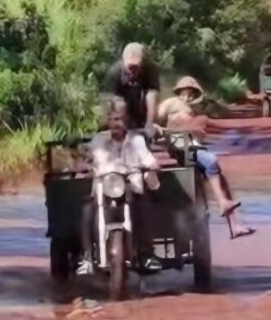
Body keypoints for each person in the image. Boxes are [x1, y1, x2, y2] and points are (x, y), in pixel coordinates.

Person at [157, 77, 255, 239]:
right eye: (184, 93)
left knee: (220, 177)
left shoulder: (197, 111)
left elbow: (208, 129)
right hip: (178, 145)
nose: (187, 98)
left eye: (191, 94)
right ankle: (223, 204)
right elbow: (155, 120)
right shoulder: (170, 104)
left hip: (192, 147)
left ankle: (234, 224)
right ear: (179, 92)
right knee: (211, 160)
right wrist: (157, 128)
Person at [76, 96, 162, 275]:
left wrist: (153, 164)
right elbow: (86, 157)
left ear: (126, 120)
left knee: (145, 207)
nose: (116, 123)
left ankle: (147, 254)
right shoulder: (98, 141)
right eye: (113, 119)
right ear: (108, 121)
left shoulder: (137, 141)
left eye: (120, 119)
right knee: (87, 212)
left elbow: (148, 159)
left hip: (132, 189)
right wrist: (84, 164)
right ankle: (87, 258)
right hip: (103, 190)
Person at [101, 42, 161, 134]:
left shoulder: (150, 69)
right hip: (120, 103)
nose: (133, 70)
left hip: (141, 103)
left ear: (143, 63)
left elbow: (152, 95)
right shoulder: (114, 72)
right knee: (118, 103)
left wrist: (150, 123)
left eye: (136, 67)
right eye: (130, 67)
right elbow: (109, 100)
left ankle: (146, 124)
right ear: (124, 62)